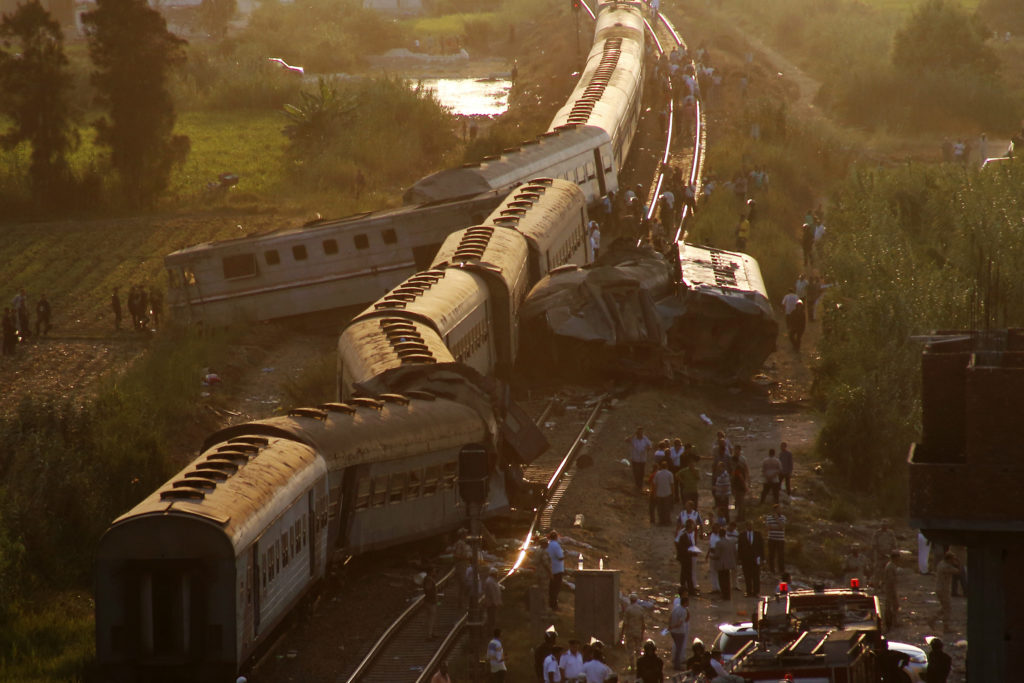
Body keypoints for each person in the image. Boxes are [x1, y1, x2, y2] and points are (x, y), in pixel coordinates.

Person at [931, 552, 959, 633]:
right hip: (944, 590)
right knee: (947, 608)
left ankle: (933, 619)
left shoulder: (941, 564)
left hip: (941, 589)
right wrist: (957, 563)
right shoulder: (946, 566)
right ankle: (945, 627)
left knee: (945, 607)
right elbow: (958, 571)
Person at [620, 593, 646, 671]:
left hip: (630, 632)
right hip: (638, 632)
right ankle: (639, 666)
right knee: (638, 649)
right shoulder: (641, 609)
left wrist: (622, 633)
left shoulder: (628, 609)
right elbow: (643, 623)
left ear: (630, 600)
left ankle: (632, 667)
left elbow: (625, 623)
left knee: (630, 650)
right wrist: (642, 633)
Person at [738, 520, 764, 596]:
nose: (750, 527)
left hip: (755, 558)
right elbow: (740, 548)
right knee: (747, 576)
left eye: (751, 525)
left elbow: (761, 547)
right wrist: (739, 559)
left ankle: (756, 592)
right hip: (745, 559)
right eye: (748, 525)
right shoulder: (742, 535)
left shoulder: (757, 534)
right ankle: (748, 591)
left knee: (756, 576)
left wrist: (763, 558)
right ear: (746, 526)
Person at [675, 520, 700, 596]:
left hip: (687, 557)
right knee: (687, 574)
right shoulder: (683, 536)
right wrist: (688, 551)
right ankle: (690, 590)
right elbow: (681, 547)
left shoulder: (688, 535)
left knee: (685, 573)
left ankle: (685, 588)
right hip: (685, 558)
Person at [626, 427, 653, 493]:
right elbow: (626, 440)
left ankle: (640, 485)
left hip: (642, 458)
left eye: (641, 432)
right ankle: (637, 484)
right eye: (639, 432)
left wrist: (648, 448)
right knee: (635, 472)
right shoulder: (634, 439)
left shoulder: (645, 439)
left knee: (641, 472)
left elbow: (650, 445)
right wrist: (633, 434)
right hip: (635, 458)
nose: (640, 434)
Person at [668, 595, 690, 670]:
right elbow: (680, 623)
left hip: (673, 632)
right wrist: (673, 626)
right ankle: (677, 665)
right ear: (685, 603)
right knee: (679, 649)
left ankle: (675, 662)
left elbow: (670, 617)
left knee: (677, 647)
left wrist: (670, 626)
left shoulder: (676, 608)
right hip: (679, 632)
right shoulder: (683, 611)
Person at [765, 504, 786, 575]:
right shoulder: (768, 518)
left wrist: (777, 520)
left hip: (780, 539)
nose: (780, 510)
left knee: (781, 555)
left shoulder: (783, 517)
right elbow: (768, 528)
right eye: (779, 509)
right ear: (775, 510)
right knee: (771, 555)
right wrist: (777, 527)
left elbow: (782, 527)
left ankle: (781, 570)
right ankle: (772, 570)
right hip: (771, 538)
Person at [715, 531, 737, 600]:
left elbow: (717, 555)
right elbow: (735, 552)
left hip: (722, 564)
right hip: (729, 564)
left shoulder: (719, 543)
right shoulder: (730, 542)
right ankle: (728, 595)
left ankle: (724, 595)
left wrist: (712, 555)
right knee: (727, 580)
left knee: (722, 580)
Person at [453, 529, 472, 608]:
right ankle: (461, 603)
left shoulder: (464, 543)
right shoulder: (459, 544)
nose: (466, 535)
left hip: (466, 565)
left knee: (465, 584)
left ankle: (462, 602)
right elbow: (457, 555)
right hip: (461, 565)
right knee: (463, 584)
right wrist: (465, 557)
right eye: (465, 534)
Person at [882, 551, 900, 632]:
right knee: (891, 606)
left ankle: (893, 622)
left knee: (893, 605)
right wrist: (893, 590)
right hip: (890, 589)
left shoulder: (892, 566)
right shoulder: (890, 566)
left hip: (891, 588)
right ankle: (890, 623)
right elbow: (890, 580)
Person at [652, 460, 674, 526]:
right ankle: (667, 521)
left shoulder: (657, 474)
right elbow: (672, 484)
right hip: (667, 493)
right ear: (667, 466)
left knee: (660, 508)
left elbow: (655, 484)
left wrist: (654, 493)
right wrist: (673, 493)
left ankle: (661, 521)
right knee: (667, 508)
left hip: (659, 493)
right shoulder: (670, 474)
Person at [547, 531, 565, 611]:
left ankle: (550, 604)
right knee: (556, 588)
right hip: (557, 569)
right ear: (556, 537)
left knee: (551, 588)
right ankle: (554, 606)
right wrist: (566, 555)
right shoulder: (556, 545)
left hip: (550, 569)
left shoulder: (548, 545)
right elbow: (560, 557)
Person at [483, 567, 503, 632]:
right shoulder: (490, 581)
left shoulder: (492, 581)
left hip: (492, 603)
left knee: (492, 618)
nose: (497, 575)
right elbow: (492, 594)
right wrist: (496, 603)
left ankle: (491, 630)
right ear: (493, 574)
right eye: (496, 574)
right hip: (491, 604)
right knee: (491, 618)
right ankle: (490, 631)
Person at [423, 566, 439, 639]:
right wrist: (432, 598)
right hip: (430, 602)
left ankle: (431, 633)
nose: (435, 572)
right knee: (430, 619)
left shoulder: (428, 579)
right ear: (430, 571)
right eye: (434, 571)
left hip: (431, 601)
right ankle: (429, 635)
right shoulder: (428, 580)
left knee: (432, 618)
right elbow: (428, 589)